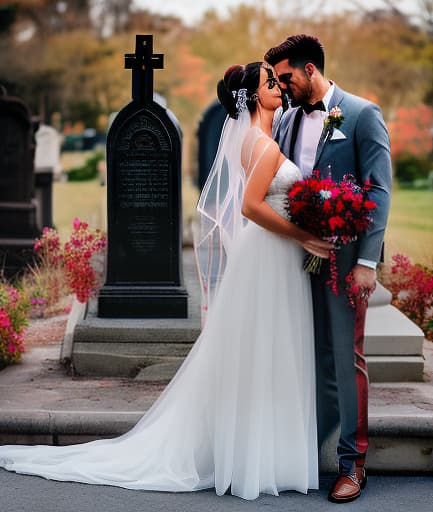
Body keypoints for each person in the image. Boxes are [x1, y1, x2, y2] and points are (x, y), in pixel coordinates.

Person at [0, 62, 332, 501]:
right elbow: (251, 208)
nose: (279, 87)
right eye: (271, 82)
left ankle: (261, 455)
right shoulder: (265, 146)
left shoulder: (255, 140)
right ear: (253, 96)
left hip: (268, 255)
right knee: (268, 349)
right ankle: (263, 459)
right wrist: (305, 235)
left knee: (263, 351)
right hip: (272, 252)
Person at [265, 34, 392, 504]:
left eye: (286, 78)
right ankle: (303, 450)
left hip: (344, 260)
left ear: (311, 71)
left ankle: (352, 464)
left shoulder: (361, 115)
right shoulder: (286, 120)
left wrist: (365, 260)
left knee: (345, 357)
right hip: (294, 258)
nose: (282, 87)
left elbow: (378, 191)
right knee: (305, 356)